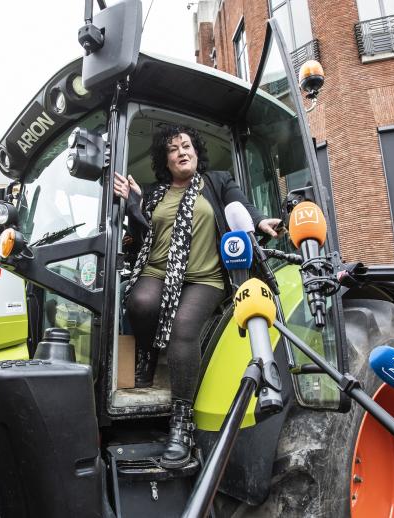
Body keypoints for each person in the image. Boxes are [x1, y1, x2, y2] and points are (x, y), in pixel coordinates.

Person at [113, 125, 280, 468]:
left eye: (186, 146)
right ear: (166, 160)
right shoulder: (155, 193)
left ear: (195, 152)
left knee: (182, 328)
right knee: (139, 302)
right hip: (158, 270)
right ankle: (146, 354)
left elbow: (240, 207)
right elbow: (139, 235)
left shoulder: (217, 182)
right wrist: (133, 204)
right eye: (173, 149)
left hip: (205, 277)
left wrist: (260, 222)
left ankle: (181, 420)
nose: (181, 152)